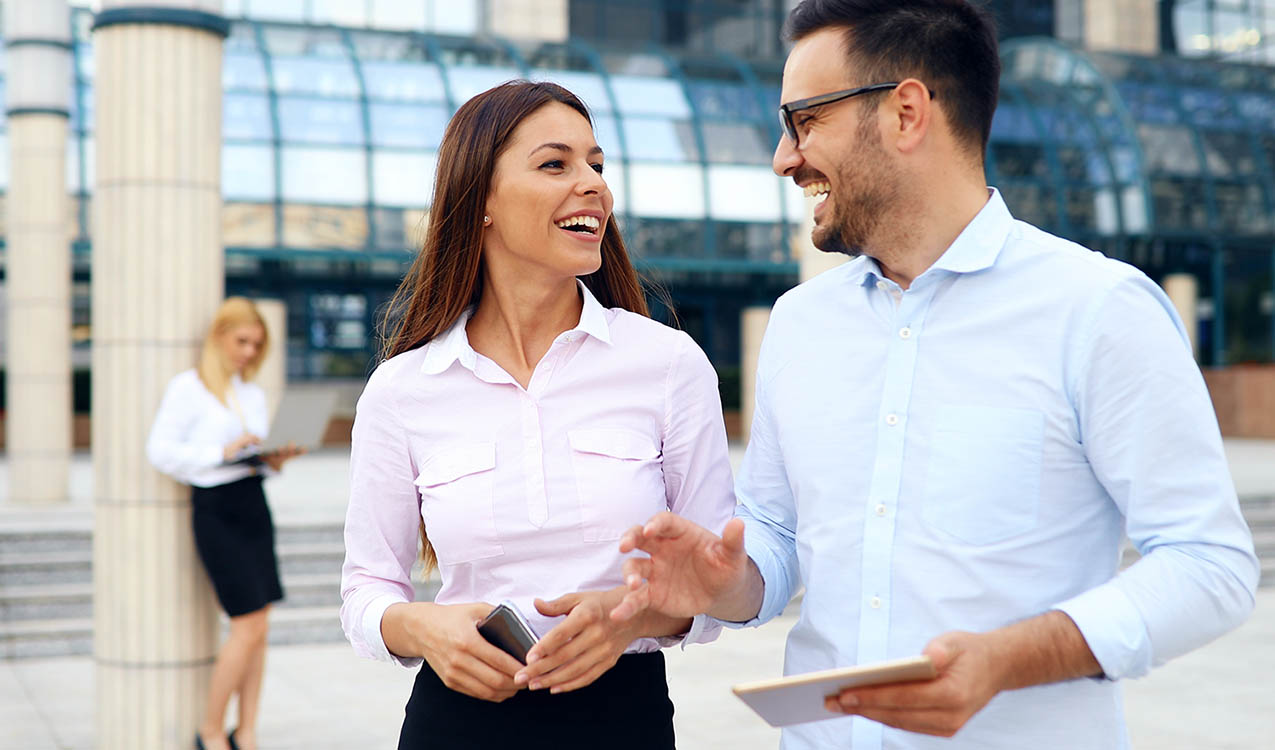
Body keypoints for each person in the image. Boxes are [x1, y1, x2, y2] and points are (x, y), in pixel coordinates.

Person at [611, 2, 1260, 749]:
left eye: (802, 121)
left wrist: (1008, 660)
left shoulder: (1099, 311)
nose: (782, 158)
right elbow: (777, 536)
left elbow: (1207, 562)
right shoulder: (798, 323)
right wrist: (727, 583)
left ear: (906, 112)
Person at [338, 80, 736, 750]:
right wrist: (422, 628)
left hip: (621, 720)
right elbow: (365, 592)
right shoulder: (401, 390)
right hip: (455, 723)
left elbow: (712, 583)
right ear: (481, 199)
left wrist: (626, 614)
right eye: (556, 164)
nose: (593, 186)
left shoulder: (668, 364)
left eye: (597, 166)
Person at [146, 297, 304, 750]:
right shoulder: (188, 389)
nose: (250, 352)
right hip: (216, 509)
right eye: (242, 341)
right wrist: (223, 452)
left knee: (261, 627)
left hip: (252, 503)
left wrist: (273, 459)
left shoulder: (250, 392)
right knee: (247, 625)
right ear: (218, 337)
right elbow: (160, 452)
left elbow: (254, 463)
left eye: (257, 345)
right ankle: (211, 731)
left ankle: (247, 730)